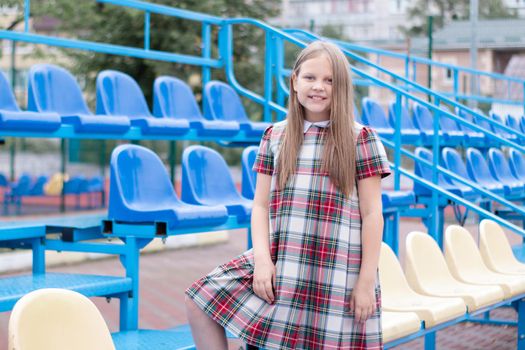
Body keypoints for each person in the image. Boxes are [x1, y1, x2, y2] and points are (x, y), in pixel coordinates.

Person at [185, 40, 390, 350]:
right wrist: (264, 262)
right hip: (285, 261)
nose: (318, 87)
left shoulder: (360, 138)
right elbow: (260, 205)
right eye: (310, 77)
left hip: (337, 269)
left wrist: (365, 281)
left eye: (329, 80)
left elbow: (373, 214)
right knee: (200, 300)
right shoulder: (276, 135)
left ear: (342, 86)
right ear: (295, 81)